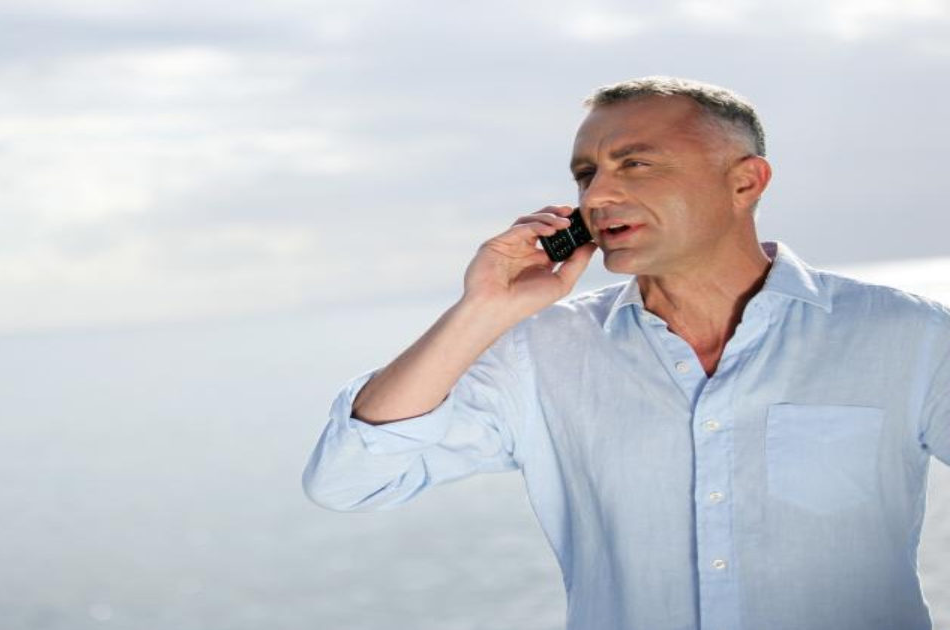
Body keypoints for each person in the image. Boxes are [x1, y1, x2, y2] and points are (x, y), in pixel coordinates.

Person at [300, 76, 950, 630]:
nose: (596, 196)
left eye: (634, 164)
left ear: (745, 182)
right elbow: (351, 480)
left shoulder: (909, 335)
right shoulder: (542, 354)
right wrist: (483, 309)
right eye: (586, 174)